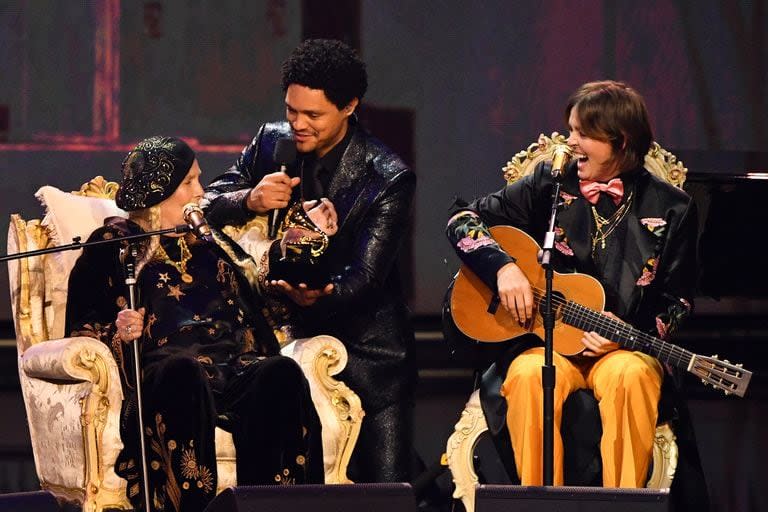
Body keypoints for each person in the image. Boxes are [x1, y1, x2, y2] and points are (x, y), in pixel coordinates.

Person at [445, 81, 708, 509]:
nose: (570, 142)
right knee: (531, 377)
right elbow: (461, 219)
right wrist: (503, 269)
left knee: (631, 377)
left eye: (582, 134)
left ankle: (624, 506)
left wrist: (630, 333)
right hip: (547, 346)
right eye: (570, 130)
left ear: (619, 142)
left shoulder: (673, 207)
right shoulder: (549, 184)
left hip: (622, 350)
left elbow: (678, 301)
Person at [65, 136, 326, 512]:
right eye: (189, 182)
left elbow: (260, 300)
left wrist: (297, 246)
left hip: (230, 368)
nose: (200, 192)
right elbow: (79, 327)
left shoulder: (210, 240)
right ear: (160, 190)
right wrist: (118, 331)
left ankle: (276, 506)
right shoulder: (111, 245)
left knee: (279, 373)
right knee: (183, 375)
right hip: (168, 371)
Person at [203, 39, 417, 484]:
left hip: (364, 352)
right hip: (276, 341)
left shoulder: (386, 177)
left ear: (350, 107)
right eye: (291, 111)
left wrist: (318, 295)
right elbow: (205, 203)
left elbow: (367, 277)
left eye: (313, 115)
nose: (297, 125)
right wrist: (251, 198)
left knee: (387, 492)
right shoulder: (270, 143)